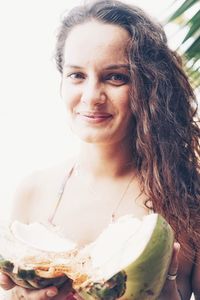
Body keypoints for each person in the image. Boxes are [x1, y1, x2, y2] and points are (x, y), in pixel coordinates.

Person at [0, 0, 199, 299]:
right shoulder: (32, 191)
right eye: (77, 75)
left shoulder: (190, 199)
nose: (91, 97)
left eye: (115, 76)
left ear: (149, 84)